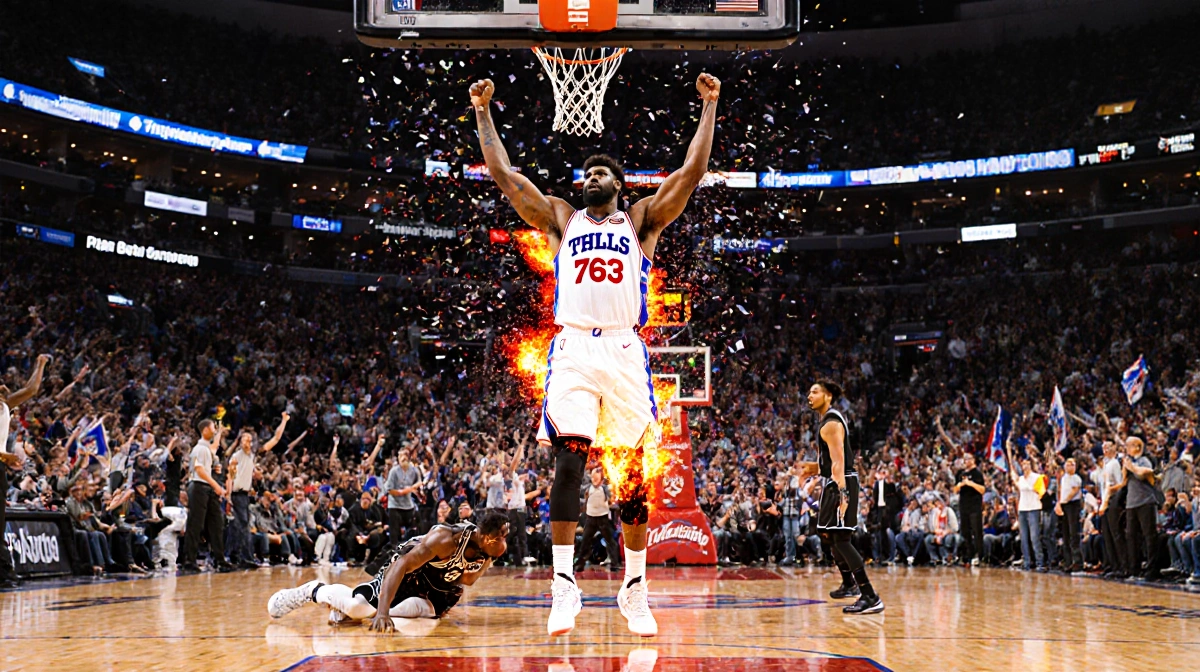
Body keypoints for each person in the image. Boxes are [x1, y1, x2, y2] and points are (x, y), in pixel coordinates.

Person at [469, 70, 722, 638]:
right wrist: (483, 113)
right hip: (575, 347)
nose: (590, 176)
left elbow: (693, 172)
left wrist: (709, 106)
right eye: (586, 172)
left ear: (620, 184)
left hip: (628, 351)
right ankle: (564, 586)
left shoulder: (641, 221)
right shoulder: (563, 218)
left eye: (600, 171)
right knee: (569, 461)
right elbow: (508, 179)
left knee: (629, 474)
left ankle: (634, 588)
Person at [267, 511, 510, 630]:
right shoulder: (446, 540)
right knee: (359, 608)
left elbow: (467, 580)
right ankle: (314, 590)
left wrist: (487, 561)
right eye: (503, 536)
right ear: (489, 537)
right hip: (408, 571)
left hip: (435, 588)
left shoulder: (486, 549)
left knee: (419, 614)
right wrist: (382, 612)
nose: (506, 540)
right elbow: (402, 565)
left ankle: (354, 614)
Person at [808, 380, 882, 614]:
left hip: (842, 482)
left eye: (815, 391)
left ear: (828, 396)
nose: (809, 396)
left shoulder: (830, 423)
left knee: (842, 540)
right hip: (837, 479)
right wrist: (811, 469)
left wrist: (842, 493)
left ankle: (869, 596)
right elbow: (832, 461)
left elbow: (839, 461)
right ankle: (849, 583)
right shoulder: (828, 420)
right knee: (828, 534)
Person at [0, 354, 50, 588]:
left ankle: (5, 572)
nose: (3, 385)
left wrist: (40, 363)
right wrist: (4, 455)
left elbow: (32, 389)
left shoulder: (5, 405)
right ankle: (5, 573)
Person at [227, 413, 289, 569]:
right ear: (240, 442)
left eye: (249, 439)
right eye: (244, 439)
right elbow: (230, 477)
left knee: (240, 526)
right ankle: (245, 558)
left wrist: (284, 421)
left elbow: (275, 439)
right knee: (243, 526)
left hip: (244, 495)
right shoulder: (235, 457)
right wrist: (227, 496)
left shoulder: (252, 456)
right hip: (236, 494)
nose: (247, 441)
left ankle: (237, 557)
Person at [180, 419, 233, 573]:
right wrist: (217, 486)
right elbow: (200, 470)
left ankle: (219, 559)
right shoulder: (199, 449)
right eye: (213, 428)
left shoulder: (206, 448)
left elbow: (214, 447)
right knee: (195, 525)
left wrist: (220, 432)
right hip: (198, 486)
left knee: (216, 523)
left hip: (206, 487)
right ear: (204, 431)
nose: (215, 431)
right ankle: (189, 560)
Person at [1122, 436, 1159, 579]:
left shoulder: (1144, 460)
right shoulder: (1129, 462)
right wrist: (1125, 468)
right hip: (1131, 503)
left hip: (1145, 502)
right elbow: (1124, 481)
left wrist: (1131, 467)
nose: (1126, 448)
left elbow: (1144, 474)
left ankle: (1152, 569)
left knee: (1149, 536)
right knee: (1131, 536)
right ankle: (1134, 569)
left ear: (1137, 447)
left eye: (1129, 445)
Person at [1007, 440, 1046, 571]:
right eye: (1023, 465)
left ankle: (1040, 562)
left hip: (1034, 508)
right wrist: (1008, 451)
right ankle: (1027, 562)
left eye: (1027, 464)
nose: (1025, 467)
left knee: (1034, 537)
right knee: (1024, 537)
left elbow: (1041, 492)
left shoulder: (1037, 477)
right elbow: (1012, 471)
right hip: (1023, 509)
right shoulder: (1021, 480)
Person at [576, 467, 621, 572]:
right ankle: (580, 564)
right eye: (593, 478)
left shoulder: (606, 489)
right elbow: (581, 497)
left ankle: (615, 564)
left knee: (610, 541)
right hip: (590, 518)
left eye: (597, 478)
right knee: (585, 541)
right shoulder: (587, 488)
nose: (594, 480)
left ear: (601, 479)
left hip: (603, 519)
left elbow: (612, 501)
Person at [950, 450, 985, 567]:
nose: (966, 461)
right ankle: (967, 556)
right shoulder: (960, 473)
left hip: (974, 507)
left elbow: (982, 490)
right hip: (963, 506)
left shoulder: (977, 474)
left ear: (973, 460)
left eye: (968, 459)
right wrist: (960, 485)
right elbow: (954, 490)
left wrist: (970, 484)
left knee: (976, 531)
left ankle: (980, 556)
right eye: (964, 459)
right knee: (965, 532)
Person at [385, 440, 422, 547]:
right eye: (401, 456)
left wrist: (416, 488)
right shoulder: (394, 471)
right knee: (394, 533)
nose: (404, 458)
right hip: (395, 505)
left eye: (406, 455)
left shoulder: (414, 470)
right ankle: (394, 550)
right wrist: (402, 492)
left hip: (408, 505)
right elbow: (390, 490)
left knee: (416, 526)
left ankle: (414, 548)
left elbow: (419, 482)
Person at [1056, 456, 1084, 572]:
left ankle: (1077, 561)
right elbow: (1061, 491)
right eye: (1067, 464)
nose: (1069, 466)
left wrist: (1064, 501)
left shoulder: (1076, 478)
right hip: (1064, 505)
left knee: (1074, 534)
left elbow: (1074, 491)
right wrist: (1059, 503)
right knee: (1066, 534)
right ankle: (1067, 561)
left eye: (1072, 464)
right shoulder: (1064, 478)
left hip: (1072, 505)